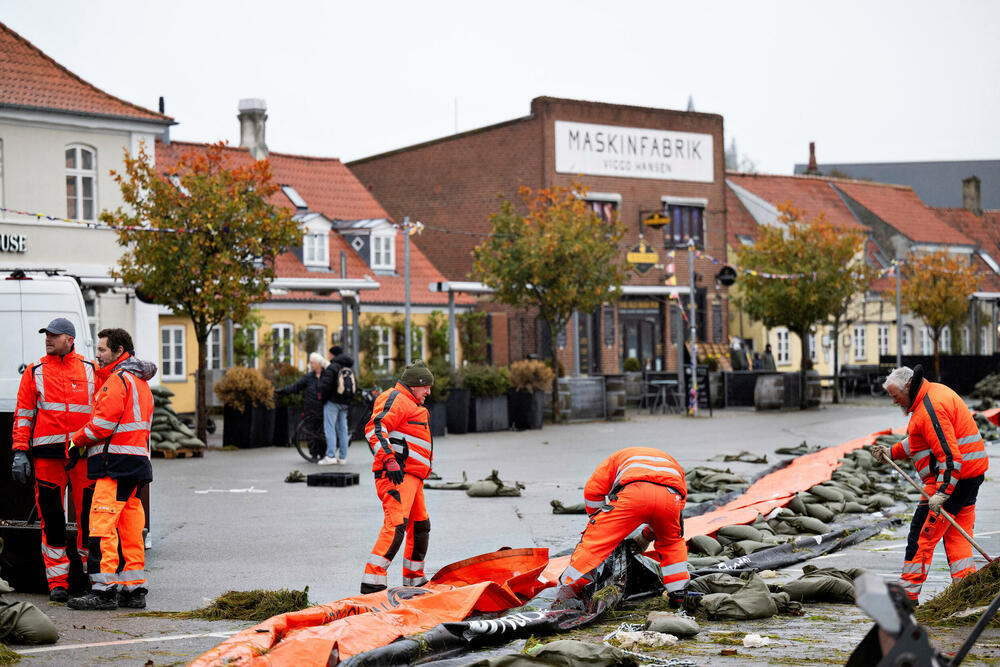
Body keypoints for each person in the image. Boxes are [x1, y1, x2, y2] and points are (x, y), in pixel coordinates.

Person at [871, 365, 989, 602]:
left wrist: (943, 493)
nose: (895, 402)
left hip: (952, 481)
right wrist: (892, 452)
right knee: (957, 534)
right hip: (969, 476)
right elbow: (920, 440)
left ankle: (907, 595)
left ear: (907, 387)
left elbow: (949, 456)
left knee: (921, 536)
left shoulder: (930, 408)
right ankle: (966, 591)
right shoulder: (931, 396)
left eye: (895, 396)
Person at [65, 328, 156, 611]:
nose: (98, 354)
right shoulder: (140, 382)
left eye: (103, 349)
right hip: (135, 465)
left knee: (102, 527)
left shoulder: (117, 381)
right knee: (130, 528)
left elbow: (102, 426)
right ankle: (134, 590)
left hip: (113, 467)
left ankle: (103, 592)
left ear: (119, 352)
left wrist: (75, 440)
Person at [10, 317, 97, 602]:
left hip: (83, 455)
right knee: (53, 519)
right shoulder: (34, 371)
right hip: (47, 458)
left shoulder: (91, 370)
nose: (48, 339)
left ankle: (88, 578)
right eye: (46, 335)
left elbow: (105, 409)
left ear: (69, 340)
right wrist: (20, 452)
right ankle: (57, 582)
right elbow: (23, 414)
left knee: (88, 519)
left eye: (54, 335)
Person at [560, 447, 689, 599]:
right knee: (672, 544)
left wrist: (601, 523)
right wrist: (646, 536)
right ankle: (679, 593)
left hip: (634, 493)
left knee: (595, 543)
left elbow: (593, 491)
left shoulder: (615, 459)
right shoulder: (671, 462)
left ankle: (568, 589)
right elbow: (676, 508)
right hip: (670, 498)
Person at [360, 360, 434, 593]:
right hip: (397, 475)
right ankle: (372, 583)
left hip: (413, 477)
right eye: (426, 387)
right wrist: (390, 460)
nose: (429, 392)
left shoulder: (411, 403)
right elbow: (375, 428)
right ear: (415, 385)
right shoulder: (397, 398)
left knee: (421, 527)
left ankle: (414, 580)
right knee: (396, 526)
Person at [277, 352, 328, 461]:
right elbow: (295, 387)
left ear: (319, 364)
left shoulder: (327, 376)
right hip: (311, 408)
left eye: (313, 362)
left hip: (324, 408)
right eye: (310, 362)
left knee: (323, 432)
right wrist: (281, 391)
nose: (311, 364)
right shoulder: (308, 377)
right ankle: (314, 454)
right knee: (311, 433)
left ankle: (324, 454)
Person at [318, 345, 355, 465]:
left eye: (329, 354)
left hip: (332, 402)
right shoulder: (349, 367)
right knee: (343, 429)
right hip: (345, 402)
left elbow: (325, 386)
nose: (328, 356)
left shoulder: (332, 367)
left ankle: (330, 456)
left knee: (330, 428)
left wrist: (322, 397)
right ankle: (343, 457)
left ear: (333, 354)